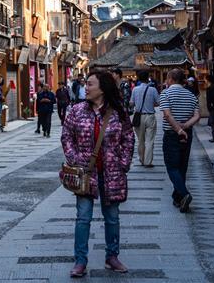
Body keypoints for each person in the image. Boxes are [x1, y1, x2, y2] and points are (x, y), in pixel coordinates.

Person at [62, 70, 135, 277]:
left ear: (102, 88)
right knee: (83, 217)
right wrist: (74, 158)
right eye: (86, 84)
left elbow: (128, 137)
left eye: (91, 84)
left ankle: (112, 256)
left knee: (112, 217)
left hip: (112, 173)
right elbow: (66, 136)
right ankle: (80, 261)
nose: (86, 87)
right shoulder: (76, 110)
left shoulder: (118, 111)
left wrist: (124, 162)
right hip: (85, 173)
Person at [161, 68, 201, 213]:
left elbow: (167, 114)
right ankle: (178, 198)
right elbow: (197, 115)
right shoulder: (191, 95)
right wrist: (185, 126)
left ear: (171, 79)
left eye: (167, 78)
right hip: (187, 134)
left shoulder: (166, 93)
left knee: (172, 167)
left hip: (172, 134)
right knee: (182, 166)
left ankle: (184, 194)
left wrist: (178, 129)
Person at [130, 70, 159, 168]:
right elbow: (158, 102)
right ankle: (148, 161)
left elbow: (131, 103)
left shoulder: (135, 89)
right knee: (150, 140)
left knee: (140, 140)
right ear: (148, 78)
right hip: (150, 116)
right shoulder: (153, 90)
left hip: (138, 116)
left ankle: (142, 159)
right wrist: (150, 104)